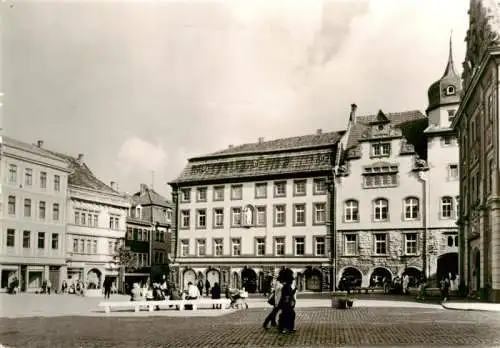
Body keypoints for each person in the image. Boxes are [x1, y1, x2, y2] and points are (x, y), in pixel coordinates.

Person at [277, 269, 296, 334]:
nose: (292, 281)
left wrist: (294, 290)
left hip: (287, 303)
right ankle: (284, 328)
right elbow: (287, 295)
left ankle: (288, 328)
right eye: (291, 280)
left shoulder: (287, 286)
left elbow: (290, 294)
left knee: (289, 315)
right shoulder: (286, 286)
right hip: (286, 303)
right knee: (286, 315)